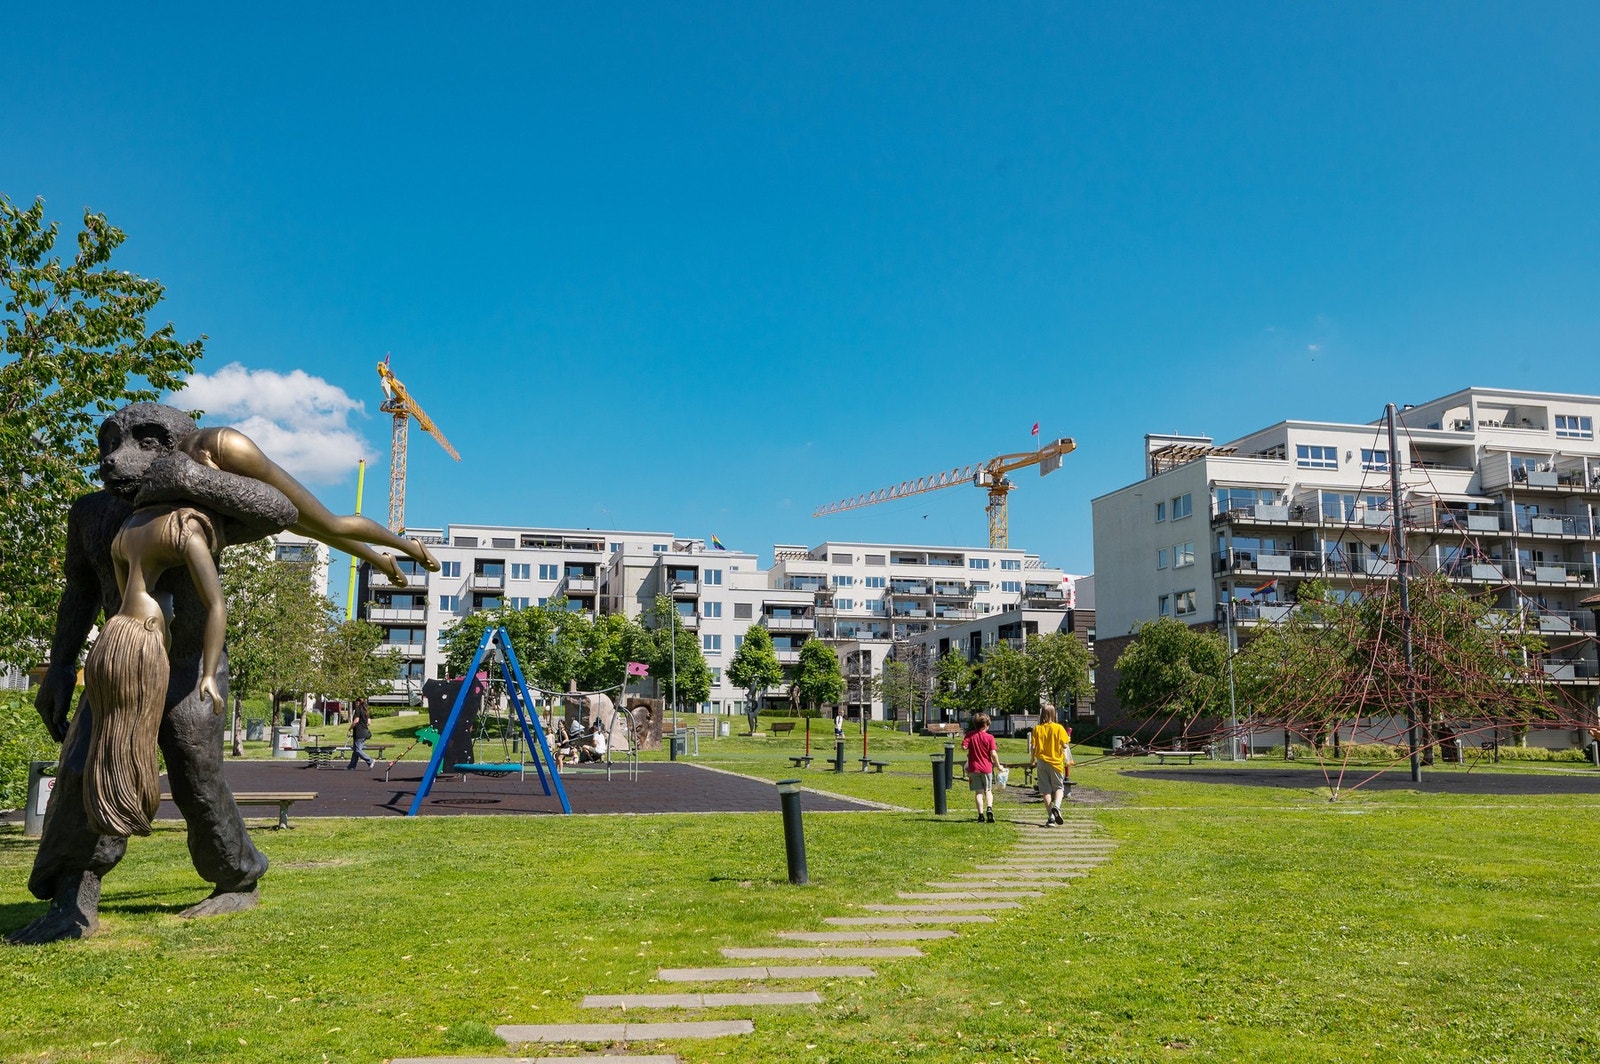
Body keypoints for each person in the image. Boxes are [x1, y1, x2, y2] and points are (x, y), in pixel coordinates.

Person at [12, 403, 298, 944]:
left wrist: (192, 476)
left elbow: (278, 511)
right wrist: (59, 667)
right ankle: (73, 897)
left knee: (195, 768)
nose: (115, 460)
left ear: (182, 452)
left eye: (147, 442)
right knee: (82, 767)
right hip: (123, 661)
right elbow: (79, 590)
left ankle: (237, 876)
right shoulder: (91, 513)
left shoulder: (197, 510)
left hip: (190, 667)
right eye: (110, 443)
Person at [81, 503, 229, 837]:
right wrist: (208, 673)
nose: (174, 611)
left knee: (117, 724)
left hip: (118, 631)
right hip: (129, 632)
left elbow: (124, 599)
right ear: (153, 624)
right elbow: (217, 606)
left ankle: (115, 797)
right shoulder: (183, 533)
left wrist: (205, 673)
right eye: (169, 620)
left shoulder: (123, 537)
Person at [167, 426, 438, 586]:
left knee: (332, 523)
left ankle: (410, 548)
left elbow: (221, 497)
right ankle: (382, 561)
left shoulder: (183, 466)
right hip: (225, 446)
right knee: (313, 530)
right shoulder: (180, 456)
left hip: (230, 452)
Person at [1030, 703, 1071, 827]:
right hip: (1056, 763)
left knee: (1045, 790)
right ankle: (1057, 807)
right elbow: (1064, 745)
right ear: (1054, 714)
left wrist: (1032, 759)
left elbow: (1033, 746)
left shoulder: (1037, 728)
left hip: (1041, 762)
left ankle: (1050, 817)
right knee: (1059, 788)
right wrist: (1067, 738)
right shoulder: (1059, 728)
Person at [962, 712, 1000, 823]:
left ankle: (980, 816)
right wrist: (998, 765)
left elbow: (964, 746)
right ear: (987, 725)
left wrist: (966, 746)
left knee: (978, 793)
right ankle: (989, 808)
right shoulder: (990, 737)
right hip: (987, 768)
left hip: (973, 768)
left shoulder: (970, 735)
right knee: (988, 790)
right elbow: (993, 754)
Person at [347, 699, 375, 769]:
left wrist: (349, 729)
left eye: (355, 702)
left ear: (358, 702)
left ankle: (370, 760)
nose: (355, 704)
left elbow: (356, 720)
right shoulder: (366, 710)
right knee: (356, 750)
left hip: (359, 733)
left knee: (357, 750)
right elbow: (369, 722)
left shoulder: (358, 709)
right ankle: (351, 767)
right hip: (365, 732)